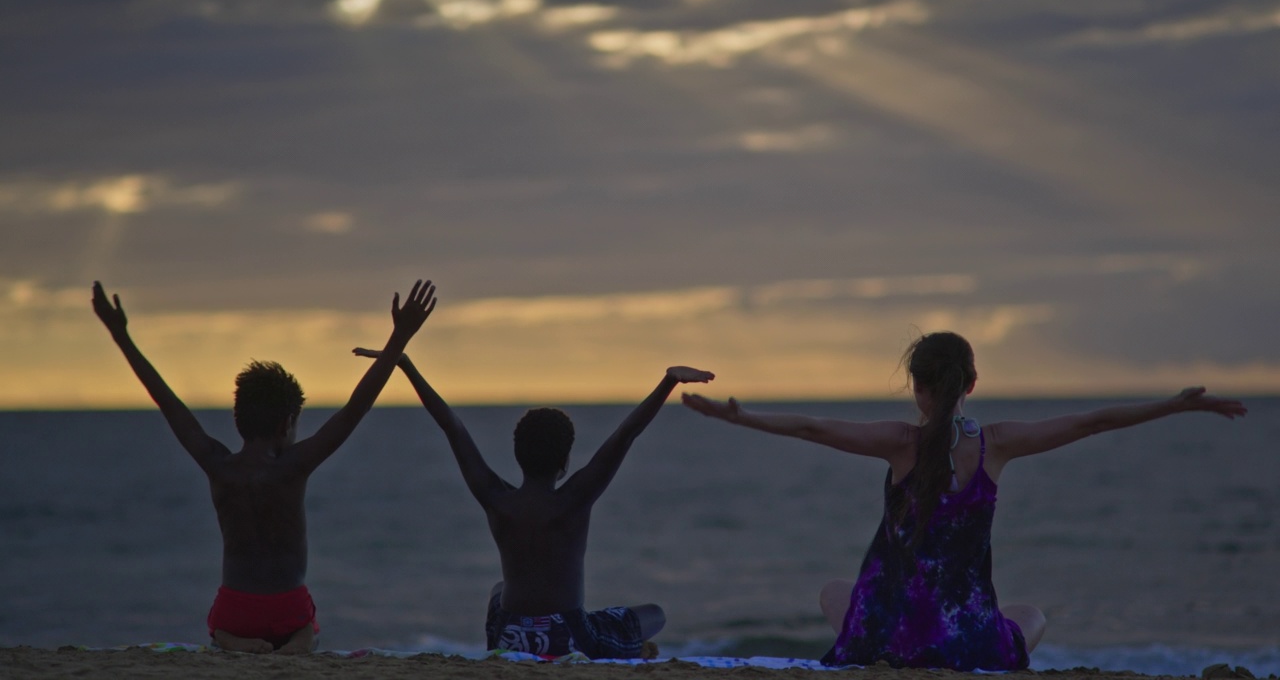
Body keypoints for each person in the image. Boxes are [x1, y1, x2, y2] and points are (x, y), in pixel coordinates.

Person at [681, 331, 1247, 671]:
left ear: (916, 388)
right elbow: (1093, 421)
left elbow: (810, 428)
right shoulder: (996, 444)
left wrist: (742, 417)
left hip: (887, 639)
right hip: (967, 644)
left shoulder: (898, 443)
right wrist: (1174, 405)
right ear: (970, 383)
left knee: (834, 593)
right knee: (1031, 616)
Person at [92, 279, 436, 654]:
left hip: (236, 607)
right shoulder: (293, 466)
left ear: (239, 418)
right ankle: (297, 642)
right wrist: (400, 337)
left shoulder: (218, 464)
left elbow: (168, 403)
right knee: (309, 631)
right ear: (285, 424)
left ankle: (231, 640)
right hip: (287, 605)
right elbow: (356, 408)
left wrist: (121, 336)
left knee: (220, 628)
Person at [353, 316, 713, 660]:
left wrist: (405, 365)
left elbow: (453, 427)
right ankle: (631, 648)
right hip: (568, 635)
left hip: (508, 633)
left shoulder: (496, 499)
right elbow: (625, 434)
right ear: (565, 462)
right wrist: (668, 382)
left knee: (499, 589)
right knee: (654, 614)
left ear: (517, 454)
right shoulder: (574, 500)